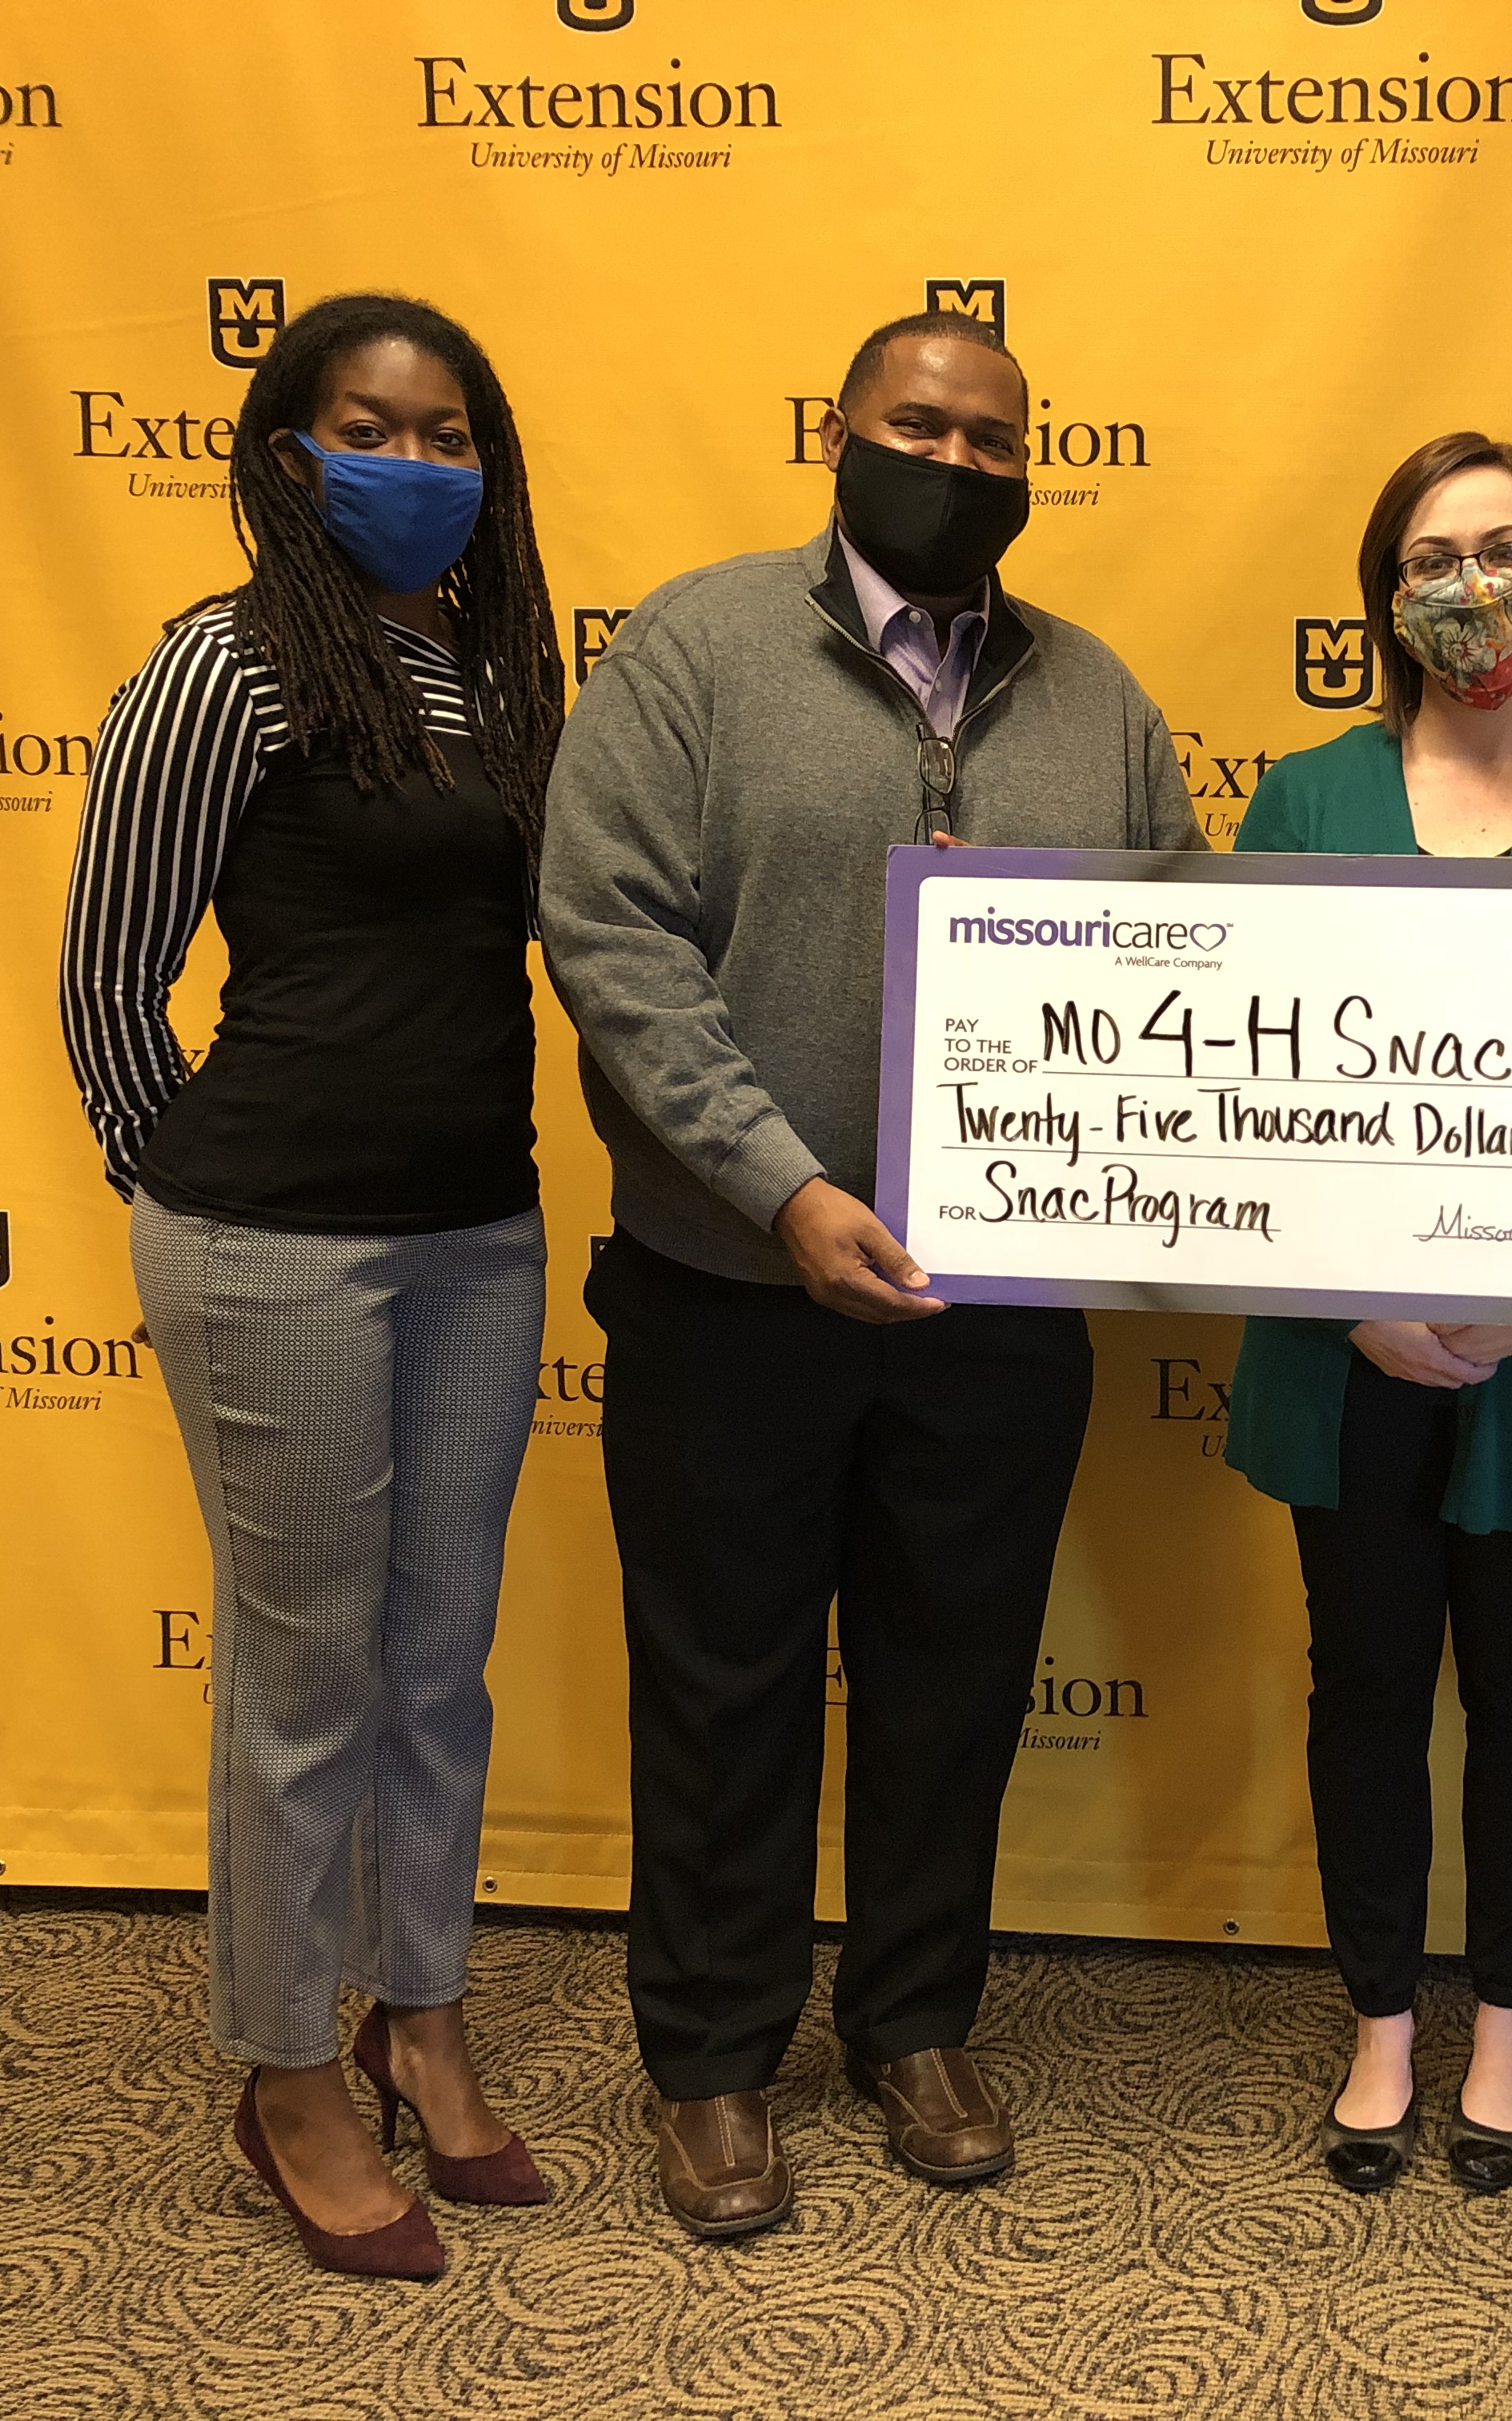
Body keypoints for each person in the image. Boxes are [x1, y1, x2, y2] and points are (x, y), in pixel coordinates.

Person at [539, 310, 1200, 2239]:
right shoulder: (696, 651)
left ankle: (913, 2020)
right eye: (923, 426)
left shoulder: (1097, 698)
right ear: (840, 435)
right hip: (729, 1292)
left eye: (998, 441)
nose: (961, 463)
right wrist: (782, 1191)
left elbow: (1182, 962)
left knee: (953, 1686)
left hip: (998, 1314)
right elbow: (613, 941)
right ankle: (716, 2060)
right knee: (724, 1686)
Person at [58, 292, 566, 2280]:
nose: (419, 467)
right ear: (290, 450)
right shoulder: (229, 661)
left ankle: (414, 2011)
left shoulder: (496, 669)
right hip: (273, 1242)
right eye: (375, 428)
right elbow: (113, 969)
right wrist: (180, 1175)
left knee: (441, 1660)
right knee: (306, 1682)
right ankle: (283, 2068)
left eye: (453, 437)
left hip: (479, 1230)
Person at [1222, 433, 1512, 2198]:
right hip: (1336, 1354)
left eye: (1508, 548)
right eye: (1433, 554)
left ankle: (1503, 2026)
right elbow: (1241, 1090)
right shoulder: (1304, 800)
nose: (1472, 586)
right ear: (1384, 594)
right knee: (1362, 1682)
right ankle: (1380, 2026)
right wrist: (1353, 1304)